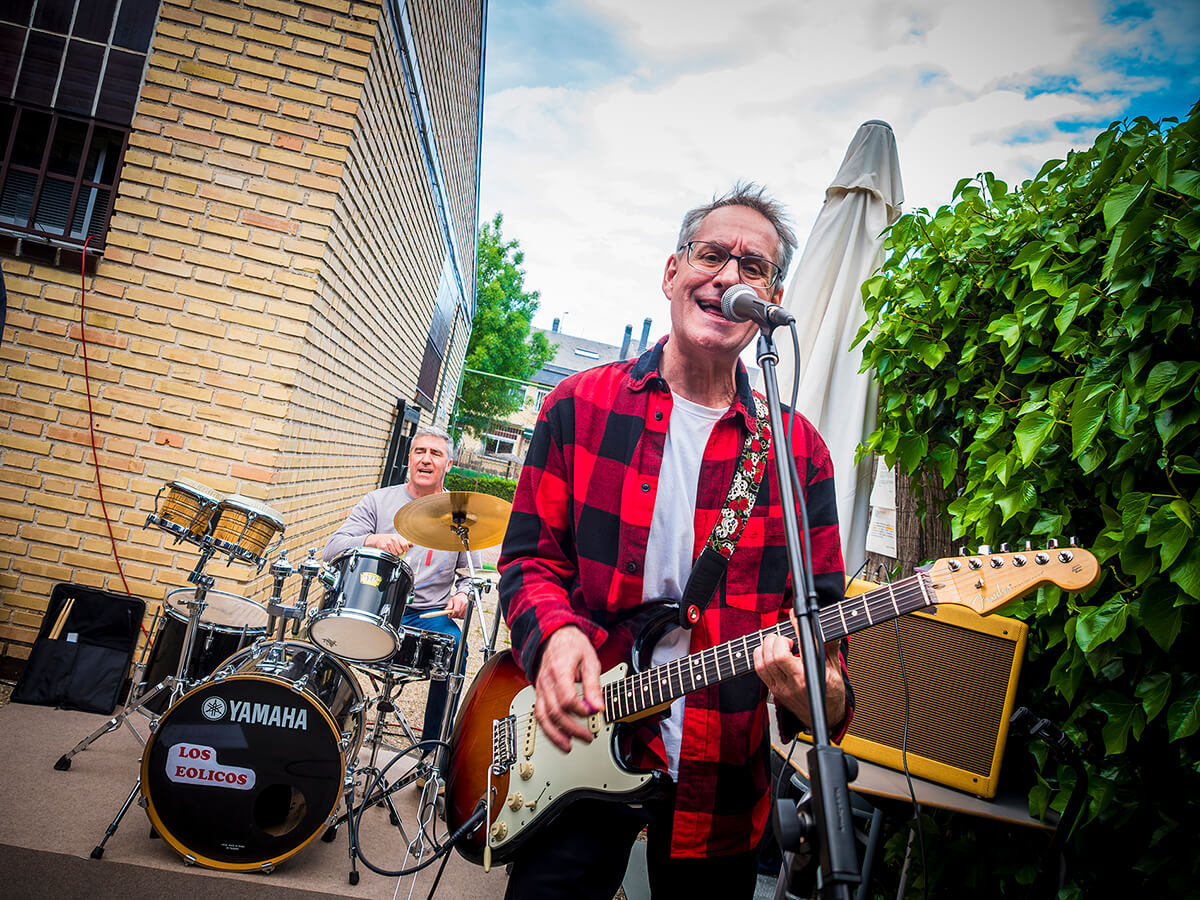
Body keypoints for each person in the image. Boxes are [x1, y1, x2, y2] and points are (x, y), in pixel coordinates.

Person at [497, 183, 853, 900]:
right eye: (711, 255)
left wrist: (820, 694)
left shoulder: (797, 452)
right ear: (672, 272)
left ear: (771, 300)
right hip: (576, 749)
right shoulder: (578, 406)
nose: (728, 277)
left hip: (720, 787)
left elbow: (823, 625)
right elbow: (530, 560)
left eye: (752, 268)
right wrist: (556, 636)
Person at [323, 426, 481, 751]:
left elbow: (471, 576)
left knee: (456, 648)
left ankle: (433, 749)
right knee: (327, 633)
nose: (426, 459)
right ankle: (325, 729)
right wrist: (373, 540)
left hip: (428, 615)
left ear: (449, 464)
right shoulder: (379, 501)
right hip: (373, 607)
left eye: (435, 454)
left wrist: (463, 594)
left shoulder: (459, 514)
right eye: (419, 451)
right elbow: (332, 549)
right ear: (409, 458)